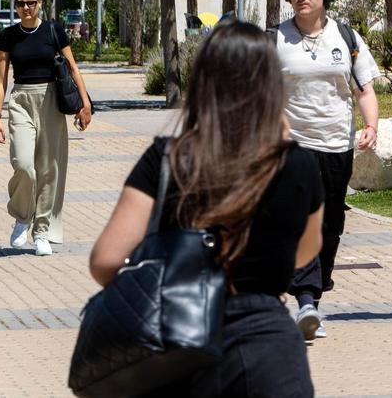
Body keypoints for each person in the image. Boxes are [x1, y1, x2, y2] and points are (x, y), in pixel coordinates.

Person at [90, 21, 323, 397]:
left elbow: (105, 261)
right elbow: (306, 253)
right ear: (270, 85)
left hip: (178, 350)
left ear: (202, 82)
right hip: (268, 352)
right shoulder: (296, 165)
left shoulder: (166, 158)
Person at [274, 0, 381, 341]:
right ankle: (305, 298)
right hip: (292, 147)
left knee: (331, 225)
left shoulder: (347, 38)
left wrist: (371, 126)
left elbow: (364, 90)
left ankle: (311, 301)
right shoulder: (275, 39)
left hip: (337, 145)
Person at [0, 0, 92, 256]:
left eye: (31, 3)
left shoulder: (53, 30)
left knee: (49, 169)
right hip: (21, 99)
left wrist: (86, 104)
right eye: (21, 3)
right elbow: (1, 79)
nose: (26, 8)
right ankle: (23, 215)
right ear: (15, 5)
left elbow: (72, 67)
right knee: (23, 164)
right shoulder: (8, 36)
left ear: (40, 3)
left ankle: (42, 231)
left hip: (50, 100)